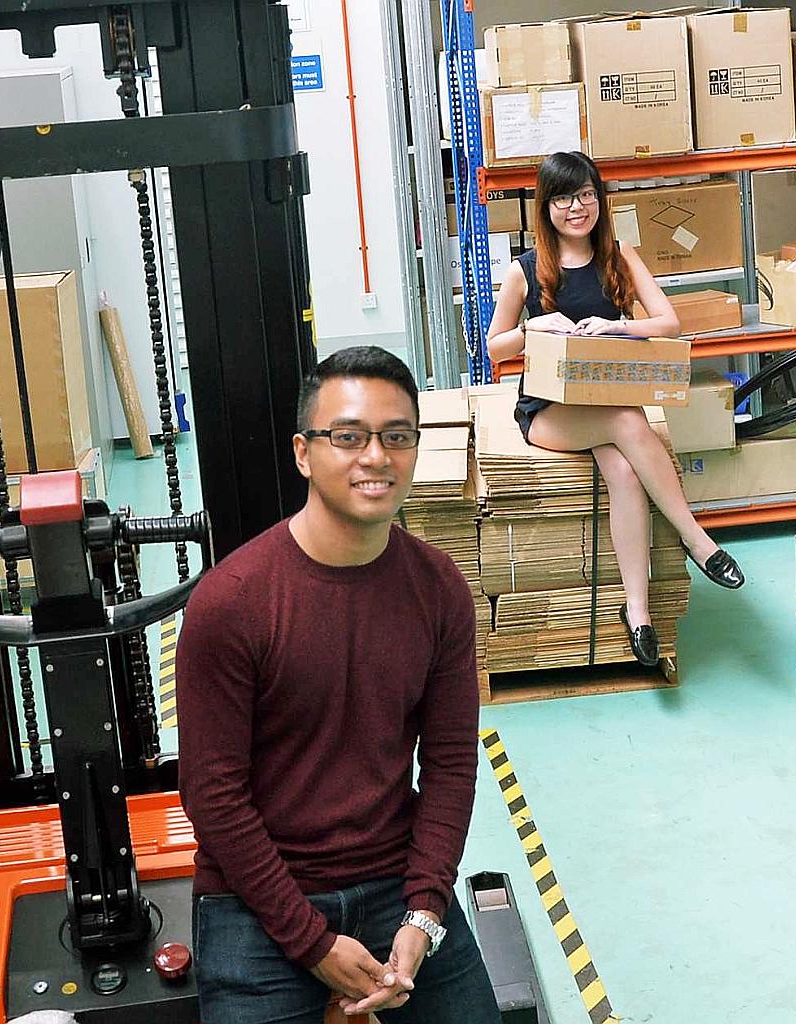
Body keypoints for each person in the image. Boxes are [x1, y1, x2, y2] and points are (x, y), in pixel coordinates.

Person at [176, 346, 501, 1023]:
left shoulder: (438, 589)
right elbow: (213, 794)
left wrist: (424, 913)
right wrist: (311, 941)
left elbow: (449, 765)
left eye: (397, 436)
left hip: (393, 884)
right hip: (259, 897)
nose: (376, 457)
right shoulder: (232, 603)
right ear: (304, 453)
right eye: (348, 437)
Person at [486, 150, 745, 668]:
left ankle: (638, 613)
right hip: (549, 412)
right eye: (563, 198)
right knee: (626, 420)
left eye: (586, 195)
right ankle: (697, 540)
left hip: (606, 395)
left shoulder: (620, 255)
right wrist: (533, 327)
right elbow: (494, 348)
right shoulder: (524, 270)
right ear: (545, 207)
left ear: (599, 199)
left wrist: (618, 326)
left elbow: (669, 322)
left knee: (625, 473)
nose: (576, 208)